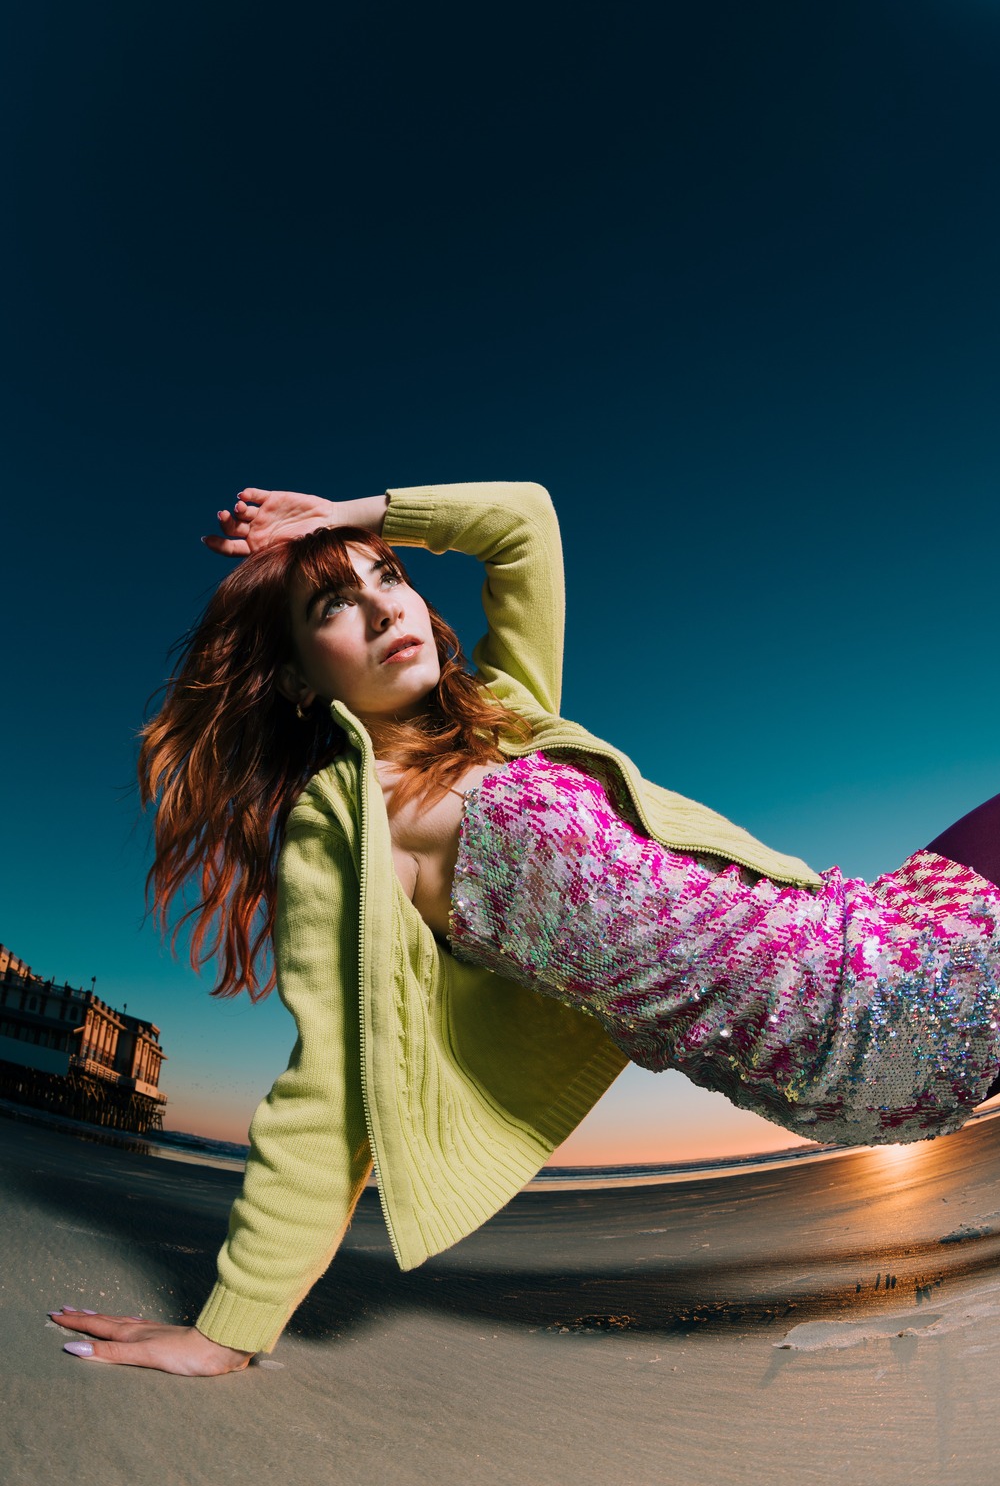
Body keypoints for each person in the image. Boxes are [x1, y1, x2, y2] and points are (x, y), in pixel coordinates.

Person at [50, 481, 1000, 1375]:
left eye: (391, 578)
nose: (386, 610)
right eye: (334, 608)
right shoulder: (348, 828)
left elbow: (525, 524)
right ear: (297, 681)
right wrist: (229, 1328)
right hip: (865, 1026)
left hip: (873, 937)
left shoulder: (505, 716)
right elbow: (333, 1087)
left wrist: (352, 510)